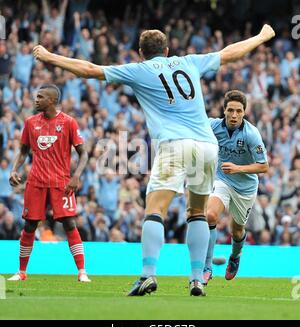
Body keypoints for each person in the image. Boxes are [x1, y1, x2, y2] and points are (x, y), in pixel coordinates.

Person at [33, 25, 275, 296]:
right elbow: (229, 53)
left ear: (140, 53)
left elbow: (90, 69)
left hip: (174, 144)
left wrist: (49, 56)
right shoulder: (188, 62)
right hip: (207, 145)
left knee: (155, 209)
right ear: (168, 50)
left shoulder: (139, 69)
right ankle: (197, 279)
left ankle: (148, 274)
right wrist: (261, 37)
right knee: (197, 212)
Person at [8, 84, 91, 282]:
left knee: (70, 223)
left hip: (61, 182)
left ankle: (82, 271)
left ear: (52, 100)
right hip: (36, 181)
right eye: (36, 96)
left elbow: (84, 154)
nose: (36, 100)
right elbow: (23, 151)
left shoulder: (69, 122)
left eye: (40, 97)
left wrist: (76, 176)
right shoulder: (30, 122)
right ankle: (21, 272)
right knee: (30, 225)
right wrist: (14, 169)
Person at [204, 90, 269, 285]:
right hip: (222, 179)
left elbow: (264, 166)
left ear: (244, 112)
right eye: (230, 110)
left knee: (237, 230)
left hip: (245, 187)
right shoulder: (213, 126)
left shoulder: (252, 134)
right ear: (223, 110)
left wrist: (238, 168)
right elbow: (194, 130)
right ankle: (206, 267)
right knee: (210, 216)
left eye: (238, 111)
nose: (234, 115)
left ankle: (234, 256)